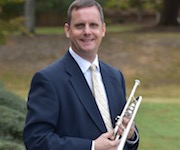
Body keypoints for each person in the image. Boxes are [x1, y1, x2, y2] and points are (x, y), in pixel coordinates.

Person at [23, 0, 139, 150]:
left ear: (103, 29)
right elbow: (36, 140)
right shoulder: (48, 79)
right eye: (79, 25)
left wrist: (130, 135)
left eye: (93, 25)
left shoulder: (115, 76)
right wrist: (91, 147)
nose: (87, 32)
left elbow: (124, 140)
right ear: (67, 30)